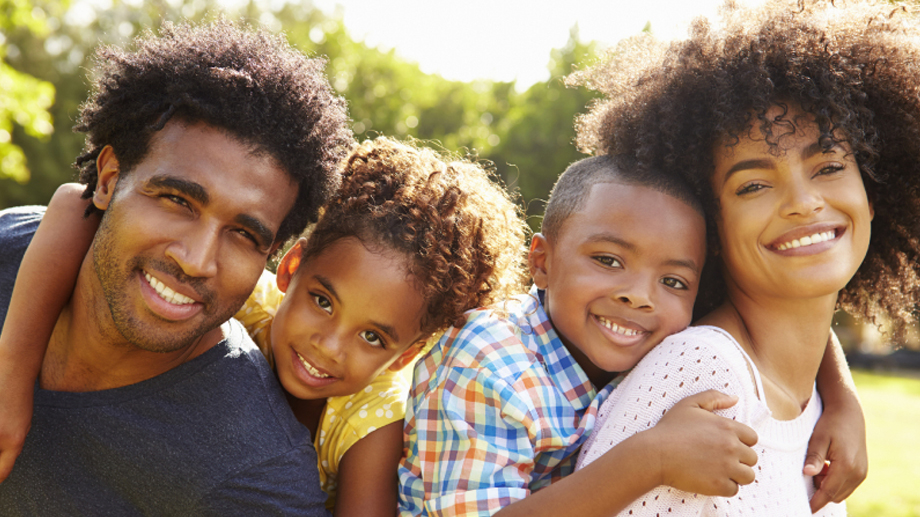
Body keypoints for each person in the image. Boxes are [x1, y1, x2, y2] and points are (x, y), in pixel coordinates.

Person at [1, 136, 529, 516]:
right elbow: (77, 202)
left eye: (373, 337)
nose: (328, 344)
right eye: (323, 301)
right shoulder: (236, 289)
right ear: (291, 268)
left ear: (406, 355)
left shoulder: (373, 420)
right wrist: (12, 373)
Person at [572, 0, 920, 514]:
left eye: (827, 166)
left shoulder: (811, 395)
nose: (803, 202)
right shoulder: (707, 373)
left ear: (872, 195)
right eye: (753, 184)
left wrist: (842, 396)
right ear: (710, 228)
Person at [0, 20, 352, 514]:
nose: (197, 260)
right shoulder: (9, 247)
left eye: (245, 235)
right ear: (108, 180)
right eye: (177, 200)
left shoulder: (255, 476)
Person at [397, 153, 867, 517]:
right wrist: (652, 456)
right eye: (608, 260)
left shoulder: (647, 335)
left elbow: (783, 316)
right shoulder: (490, 363)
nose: (640, 297)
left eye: (674, 281)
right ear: (541, 262)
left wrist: (842, 396)